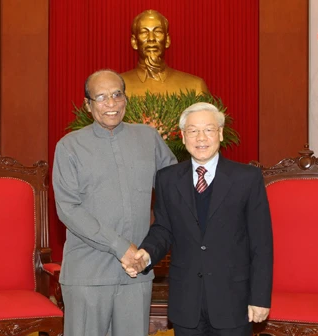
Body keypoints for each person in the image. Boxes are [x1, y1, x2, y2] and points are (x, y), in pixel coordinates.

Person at [124, 102, 273, 335]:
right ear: (183, 137)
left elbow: (261, 244)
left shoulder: (247, 178)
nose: (201, 137)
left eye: (209, 130)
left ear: (220, 134)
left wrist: (260, 297)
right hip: (187, 300)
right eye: (193, 131)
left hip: (233, 300)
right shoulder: (167, 179)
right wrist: (146, 254)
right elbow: (163, 228)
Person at [52, 69, 177, 336]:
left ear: (126, 99)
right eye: (101, 97)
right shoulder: (69, 147)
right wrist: (121, 247)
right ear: (88, 105)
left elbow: (175, 189)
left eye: (117, 94)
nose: (111, 103)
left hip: (136, 273)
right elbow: (68, 209)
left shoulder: (148, 138)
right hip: (88, 275)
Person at [121, 9, 209, 97]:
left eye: (158, 32)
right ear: (134, 42)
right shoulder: (117, 87)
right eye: (144, 32)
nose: (151, 38)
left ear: (167, 40)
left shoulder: (195, 87)